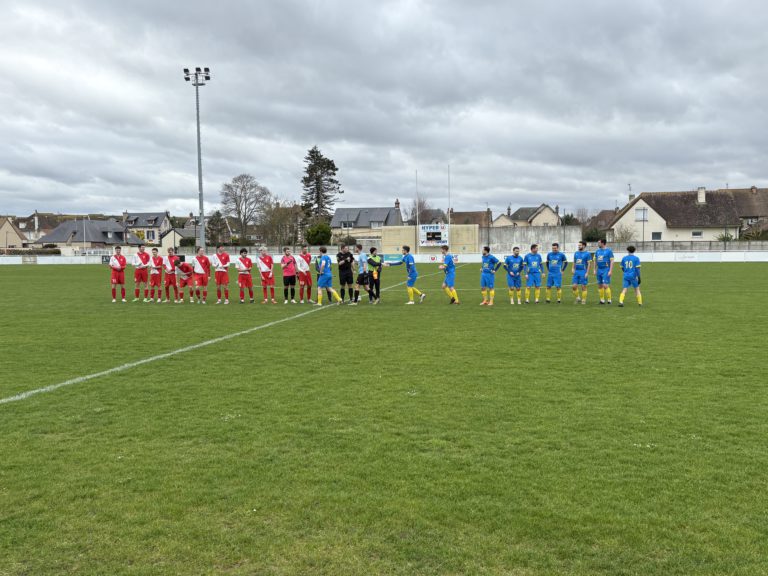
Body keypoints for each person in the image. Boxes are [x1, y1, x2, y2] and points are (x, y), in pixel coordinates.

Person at [594, 239, 615, 305]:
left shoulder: (609, 251)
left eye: (599, 243)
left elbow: (612, 261)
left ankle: (609, 300)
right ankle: (602, 300)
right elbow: (595, 261)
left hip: (606, 269)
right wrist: (594, 269)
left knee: (605, 285)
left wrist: (610, 270)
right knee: (600, 285)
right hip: (599, 270)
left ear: (603, 243)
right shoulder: (597, 251)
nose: (598, 244)